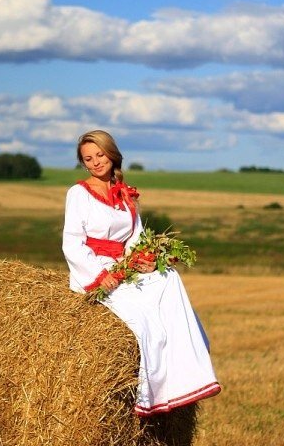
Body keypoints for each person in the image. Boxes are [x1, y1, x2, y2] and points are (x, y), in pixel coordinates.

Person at [62, 129, 221, 417]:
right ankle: (150, 395)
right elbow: (71, 242)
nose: (96, 162)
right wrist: (100, 275)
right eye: (88, 158)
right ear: (83, 163)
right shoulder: (78, 194)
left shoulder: (124, 195)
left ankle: (189, 377)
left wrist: (146, 260)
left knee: (168, 278)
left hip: (124, 267)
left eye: (100, 155)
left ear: (111, 154)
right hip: (96, 271)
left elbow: (135, 238)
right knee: (144, 319)